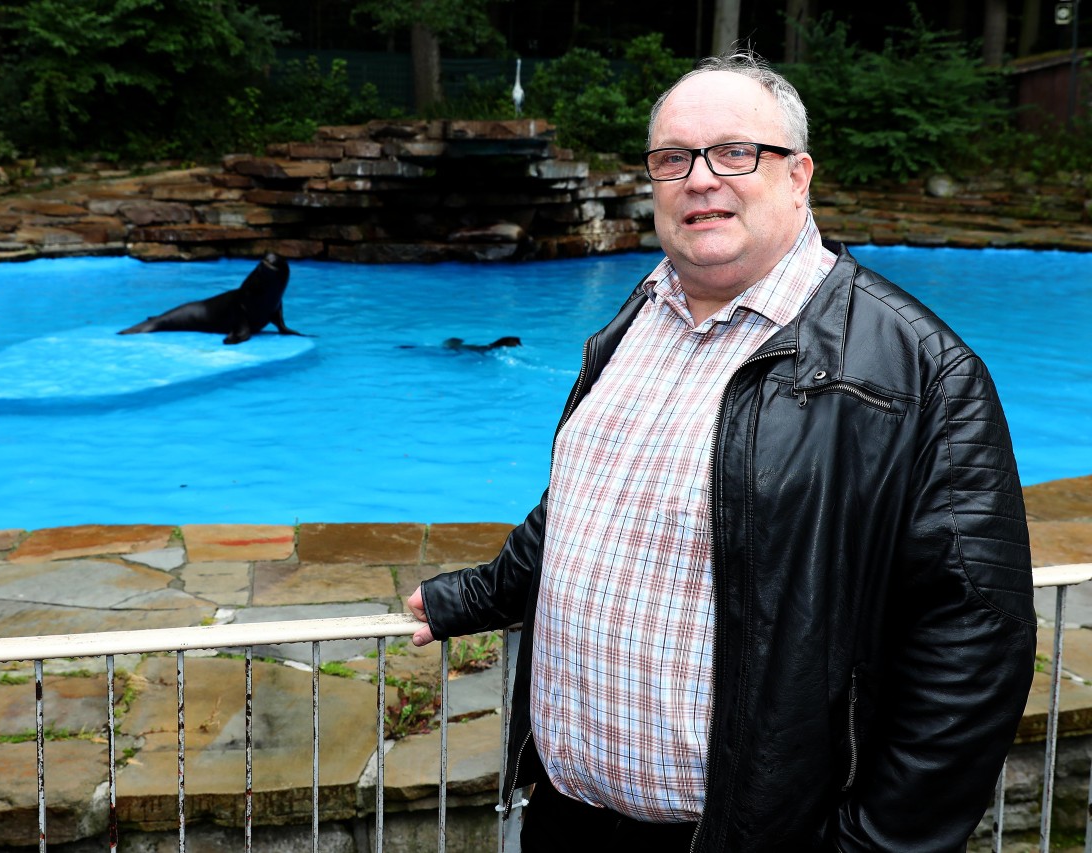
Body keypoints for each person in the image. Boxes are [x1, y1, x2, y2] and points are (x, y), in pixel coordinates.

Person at [406, 49, 1036, 852]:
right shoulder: (635, 320)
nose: (699, 178)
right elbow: (584, 504)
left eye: (736, 152)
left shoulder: (918, 371)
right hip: (568, 819)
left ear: (799, 174)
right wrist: (479, 595)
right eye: (673, 158)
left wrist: (873, 846)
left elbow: (974, 646)